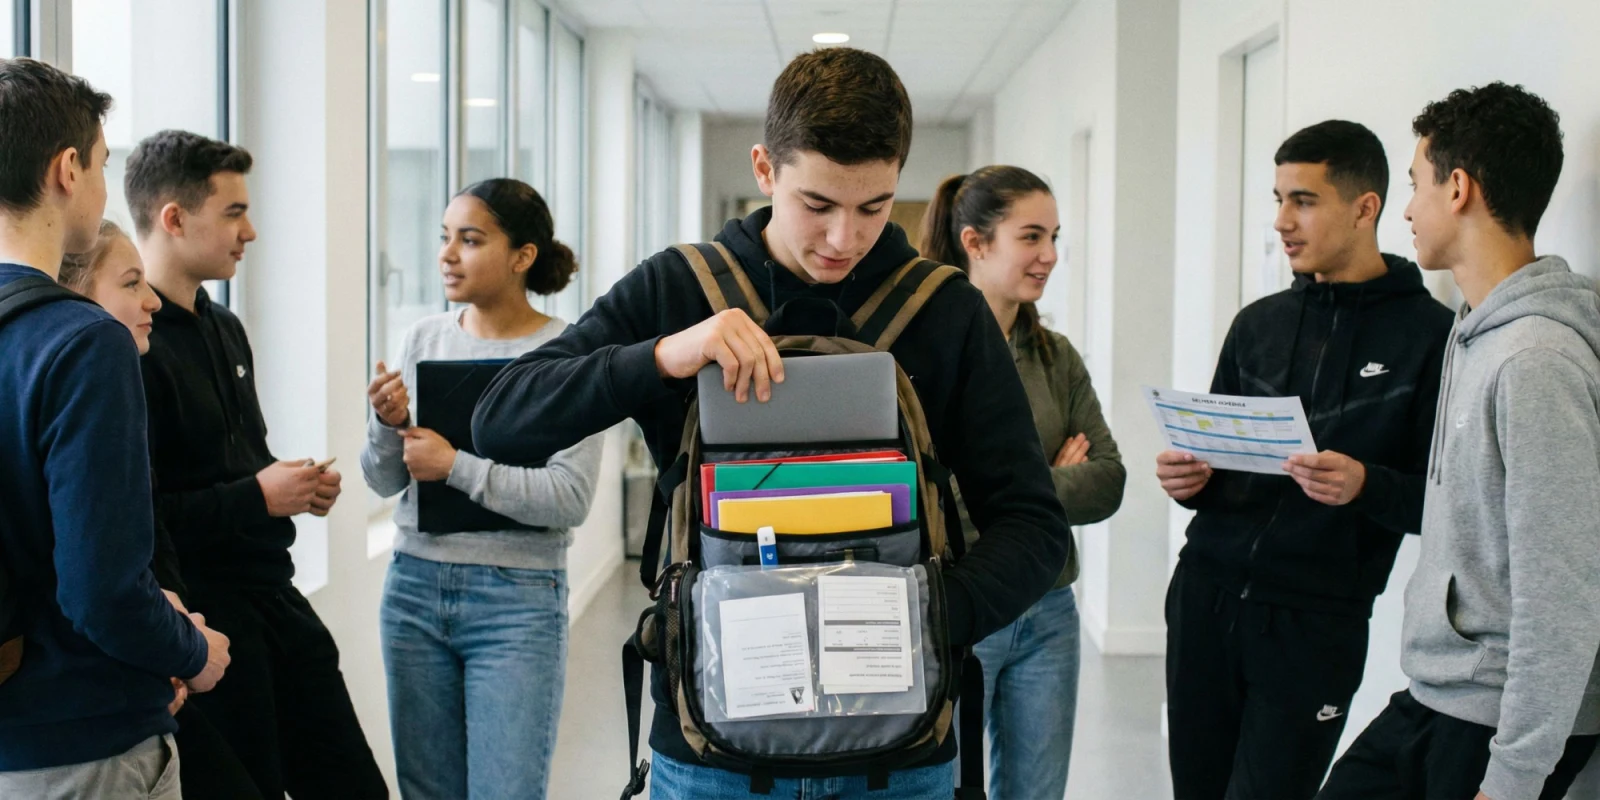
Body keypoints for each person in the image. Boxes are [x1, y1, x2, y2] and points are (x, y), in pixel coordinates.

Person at [471, 47, 1071, 799]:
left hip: (899, 756)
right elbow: (501, 418)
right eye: (817, 205)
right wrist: (664, 355)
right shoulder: (679, 286)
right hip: (710, 755)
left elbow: (1035, 525)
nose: (844, 239)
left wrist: (927, 616)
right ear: (764, 169)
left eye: (874, 207)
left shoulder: (946, 309)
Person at [1154, 120, 1454, 800]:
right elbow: (1220, 460)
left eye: (1303, 201)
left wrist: (1364, 485)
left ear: (1365, 207)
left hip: (1316, 622)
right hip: (1205, 595)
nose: (1282, 221)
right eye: (1278, 199)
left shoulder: (1431, 338)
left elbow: (1445, 503)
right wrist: (1190, 482)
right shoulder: (1257, 325)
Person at [1317, 83, 1600, 800]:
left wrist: (1513, 778)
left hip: (1498, 721)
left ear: (1460, 187)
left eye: (1415, 184)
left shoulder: (1535, 361)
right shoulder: (1473, 333)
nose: (1407, 208)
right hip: (1442, 695)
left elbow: (1561, 593)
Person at [127, 129, 388, 800]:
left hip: (276, 598)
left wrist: (290, 485)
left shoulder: (225, 327)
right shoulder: (132, 346)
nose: (252, 232)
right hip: (214, 620)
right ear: (175, 218)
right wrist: (257, 496)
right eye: (234, 212)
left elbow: (236, 463)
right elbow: (144, 520)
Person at [0, 58, 229, 798]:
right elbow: (102, 591)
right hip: (79, 738)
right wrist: (194, 651)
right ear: (67, 170)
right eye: (103, 164)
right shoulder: (80, 339)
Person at [360, 178, 602, 800]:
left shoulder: (570, 353)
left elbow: (568, 498)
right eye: (445, 237)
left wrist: (456, 465)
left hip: (518, 603)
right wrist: (387, 428)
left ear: (523, 256)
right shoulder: (423, 339)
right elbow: (385, 479)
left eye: (469, 240)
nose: (446, 254)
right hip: (413, 590)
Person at [919, 164, 1126, 799]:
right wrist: (1045, 480)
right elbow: (923, 493)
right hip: (963, 603)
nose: (1050, 256)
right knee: (943, 788)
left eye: (1055, 237)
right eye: (1031, 237)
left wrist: (1009, 487)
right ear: (975, 242)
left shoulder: (1055, 356)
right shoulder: (924, 353)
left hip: (1049, 609)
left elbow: (1109, 479)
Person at [57, 221, 265, 800]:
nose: (152, 301)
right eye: (130, 284)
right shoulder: (88, 385)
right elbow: (98, 584)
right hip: (112, 701)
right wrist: (180, 652)